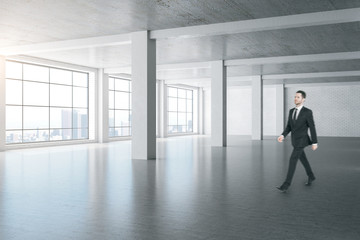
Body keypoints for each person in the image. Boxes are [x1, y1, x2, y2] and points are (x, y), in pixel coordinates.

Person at [276, 90, 318, 192]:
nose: (295, 99)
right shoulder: (291, 111)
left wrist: (314, 142)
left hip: (302, 140)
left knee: (292, 160)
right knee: (303, 159)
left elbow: (312, 127)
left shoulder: (307, 112)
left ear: (303, 99)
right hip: (294, 141)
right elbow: (289, 126)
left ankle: (286, 184)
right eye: (295, 97)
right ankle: (311, 176)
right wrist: (283, 135)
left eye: (298, 97)